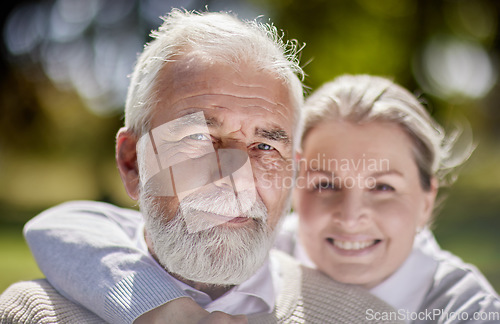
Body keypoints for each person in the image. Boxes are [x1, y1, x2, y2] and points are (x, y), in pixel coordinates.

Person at [0, 10, 401, 324]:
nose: (236, 179)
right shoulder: (35, 315)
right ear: (132, 163)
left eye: (264, 146)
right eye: (197, 139)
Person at [14, 73, 500, 324]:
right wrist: (155, 305)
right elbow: (64, 226)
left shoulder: (463, 306)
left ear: (426, 200)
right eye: (324, 184)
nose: (351, 217)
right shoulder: (278, 243)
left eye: (384, 187)